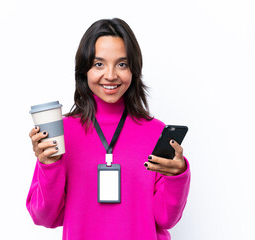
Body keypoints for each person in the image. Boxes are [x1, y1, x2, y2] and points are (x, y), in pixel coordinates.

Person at [27, 18, 190, 240]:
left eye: (122, 64)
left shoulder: (156, 133)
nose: (111, 75)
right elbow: (45, 217)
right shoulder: (61, 133)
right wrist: (48, 165)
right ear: (84, 69)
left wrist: (177, 176)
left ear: (134, 69)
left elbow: (165, 219)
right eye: (99, 64)